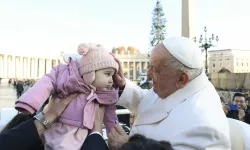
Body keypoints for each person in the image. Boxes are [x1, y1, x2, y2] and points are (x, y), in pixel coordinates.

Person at [108, 36, 231, 149]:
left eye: (155, 69)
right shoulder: (176, 85)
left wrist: (127, 147)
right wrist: (122, 86)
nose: (149, 75)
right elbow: (151, 103)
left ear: (182, 79)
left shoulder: (206, 127)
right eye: (150, 67)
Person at [15, 43, 119, 150]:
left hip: (83, 136)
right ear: (90, 72)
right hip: (61, 132)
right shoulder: (68, 79)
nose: (111, 80)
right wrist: (29, 103)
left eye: (112, 75)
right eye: (107, 74)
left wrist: (113, 131)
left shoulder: (104, 95)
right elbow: (47, 82)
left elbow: (111, 115)